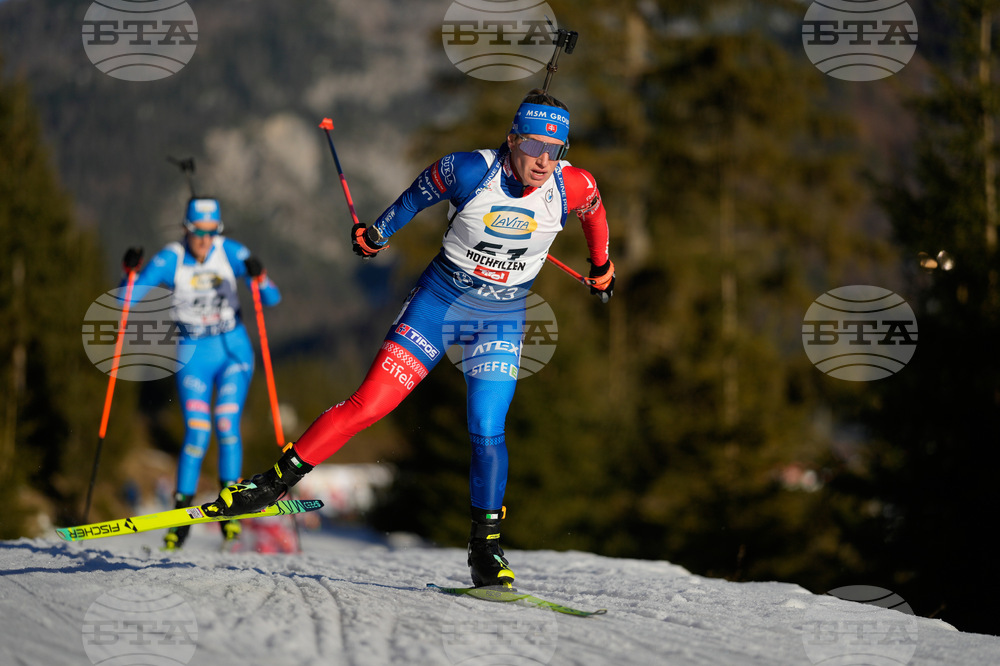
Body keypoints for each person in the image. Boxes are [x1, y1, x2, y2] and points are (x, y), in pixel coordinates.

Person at [205, 88, 614, 586]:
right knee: (369, 404)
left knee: (486, 428)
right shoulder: (467, 171)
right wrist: (376, 234)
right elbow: (417, 195)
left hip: (500, 317)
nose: (543, 161)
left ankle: (485, 550)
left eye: (554, 151)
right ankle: (270, 485)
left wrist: (602, 267)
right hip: (439, 304)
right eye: (532, 146)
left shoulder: (571, 186)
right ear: (512, 140)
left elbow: (594, 210)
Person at [122, 196, 281, 550]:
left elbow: (271, 298)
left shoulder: (232, 252)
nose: (206, 241)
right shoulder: (170, 259)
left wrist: (260, 276)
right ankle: (181, 518)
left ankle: (232, 513)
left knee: (226, 423)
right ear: (186, 229)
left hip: (233, 352)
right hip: (193, 354)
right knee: (197, 431)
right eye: (198, 233)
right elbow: (126, 301)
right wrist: (129, 272)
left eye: (212, 232)